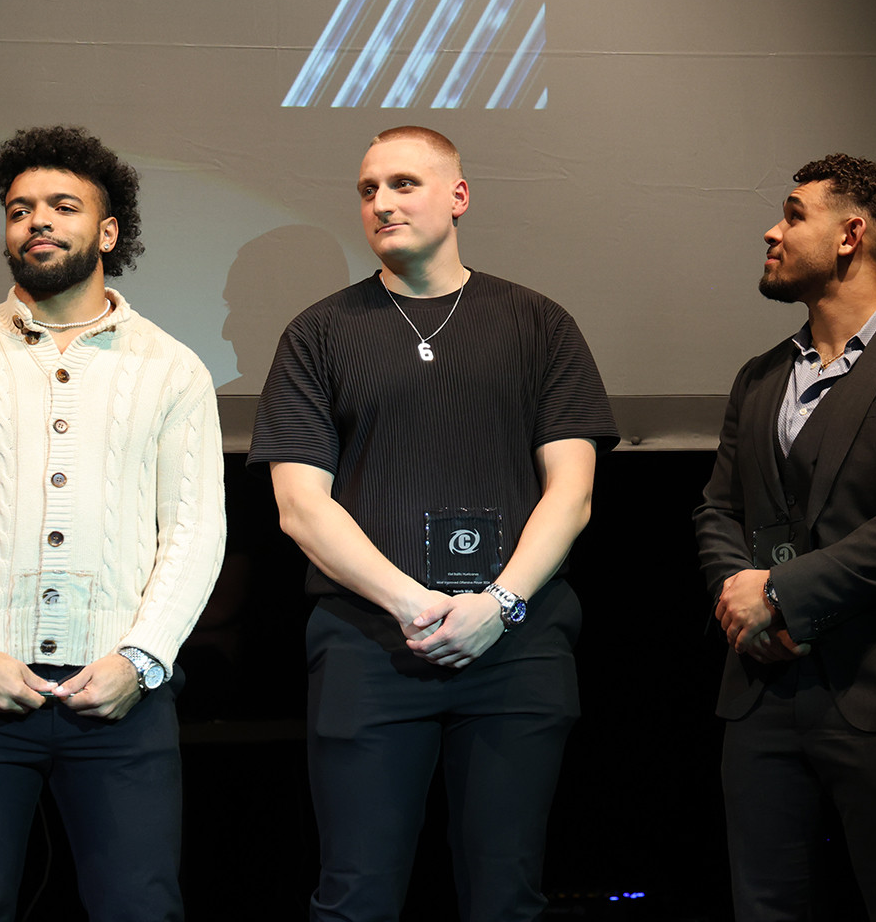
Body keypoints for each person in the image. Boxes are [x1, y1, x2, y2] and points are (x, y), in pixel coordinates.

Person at [247, 126, 618, 922]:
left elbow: (572, 494)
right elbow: (301, 506)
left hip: (517, 641)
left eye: (404, 184)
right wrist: (413, 604)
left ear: (459, 197)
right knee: (355, 898)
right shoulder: (319, 333)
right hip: (369, 643)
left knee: (506, 897)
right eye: (368, 189)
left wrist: (499, 604)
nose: (381, 202)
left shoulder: (539, 323)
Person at [0, 125, 226, 921]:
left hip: (121, 696)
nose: (37, 221)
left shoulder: (173, 369)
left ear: (108, 232)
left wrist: (140, 660)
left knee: (139, 907)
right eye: (20, 210)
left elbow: (194, 533)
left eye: (61, 206)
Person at [695, 154, 876, 921]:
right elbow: (717, 511)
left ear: (850, 235)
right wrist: (741, 601)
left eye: (793, 215)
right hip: (761, 694)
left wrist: (780, 594)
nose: (772, 231)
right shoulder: (758, 378)